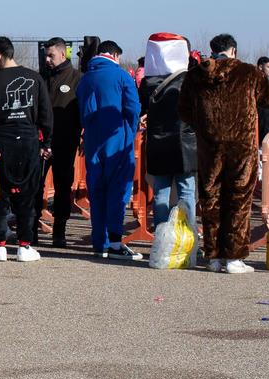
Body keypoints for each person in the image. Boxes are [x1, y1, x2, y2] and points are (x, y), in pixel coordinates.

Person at [182, 34, 269, 274]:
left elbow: (184, 111)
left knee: (211, 200)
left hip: (209, 148)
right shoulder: (248, 73)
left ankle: (214, 257)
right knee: (239, 200)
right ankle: (234, 258)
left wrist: (205, 127)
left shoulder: (195, 75)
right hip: (241, 146)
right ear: (233, 50)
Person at [0, 36, 51, 261]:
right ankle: (25, 245)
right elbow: (46, 115)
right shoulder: (35, 78)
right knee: (27, 195)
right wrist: (47, 142)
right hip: (29, 143)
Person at [77, 39, 142, 261]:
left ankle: (100, 242)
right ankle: (115, 243)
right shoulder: (121, 75)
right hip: (118, 140)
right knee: (118, 191)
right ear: (115, 55)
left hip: (93, 140)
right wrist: (131, 131)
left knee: (96, 191)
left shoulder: (85, 79)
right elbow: (134, 107)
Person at [138, 34, 199, 248]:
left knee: (161, 193)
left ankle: (162, 240)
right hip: (184, 144)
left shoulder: (147, 82)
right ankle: (188, 240)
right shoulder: (189, 80)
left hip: (157, 143)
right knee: (187, 192)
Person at [40, 37, 83, 247]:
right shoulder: (42, 79)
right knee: (35, 185)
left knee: (62, 187)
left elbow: (82, 111)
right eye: (45, 55)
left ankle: (59, 232)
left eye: (51, 55)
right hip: (41, 144)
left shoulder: (77, 79)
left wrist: (81, 134)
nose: (47, 59)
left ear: (62, 54)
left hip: (65, 142)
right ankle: (30, 230)